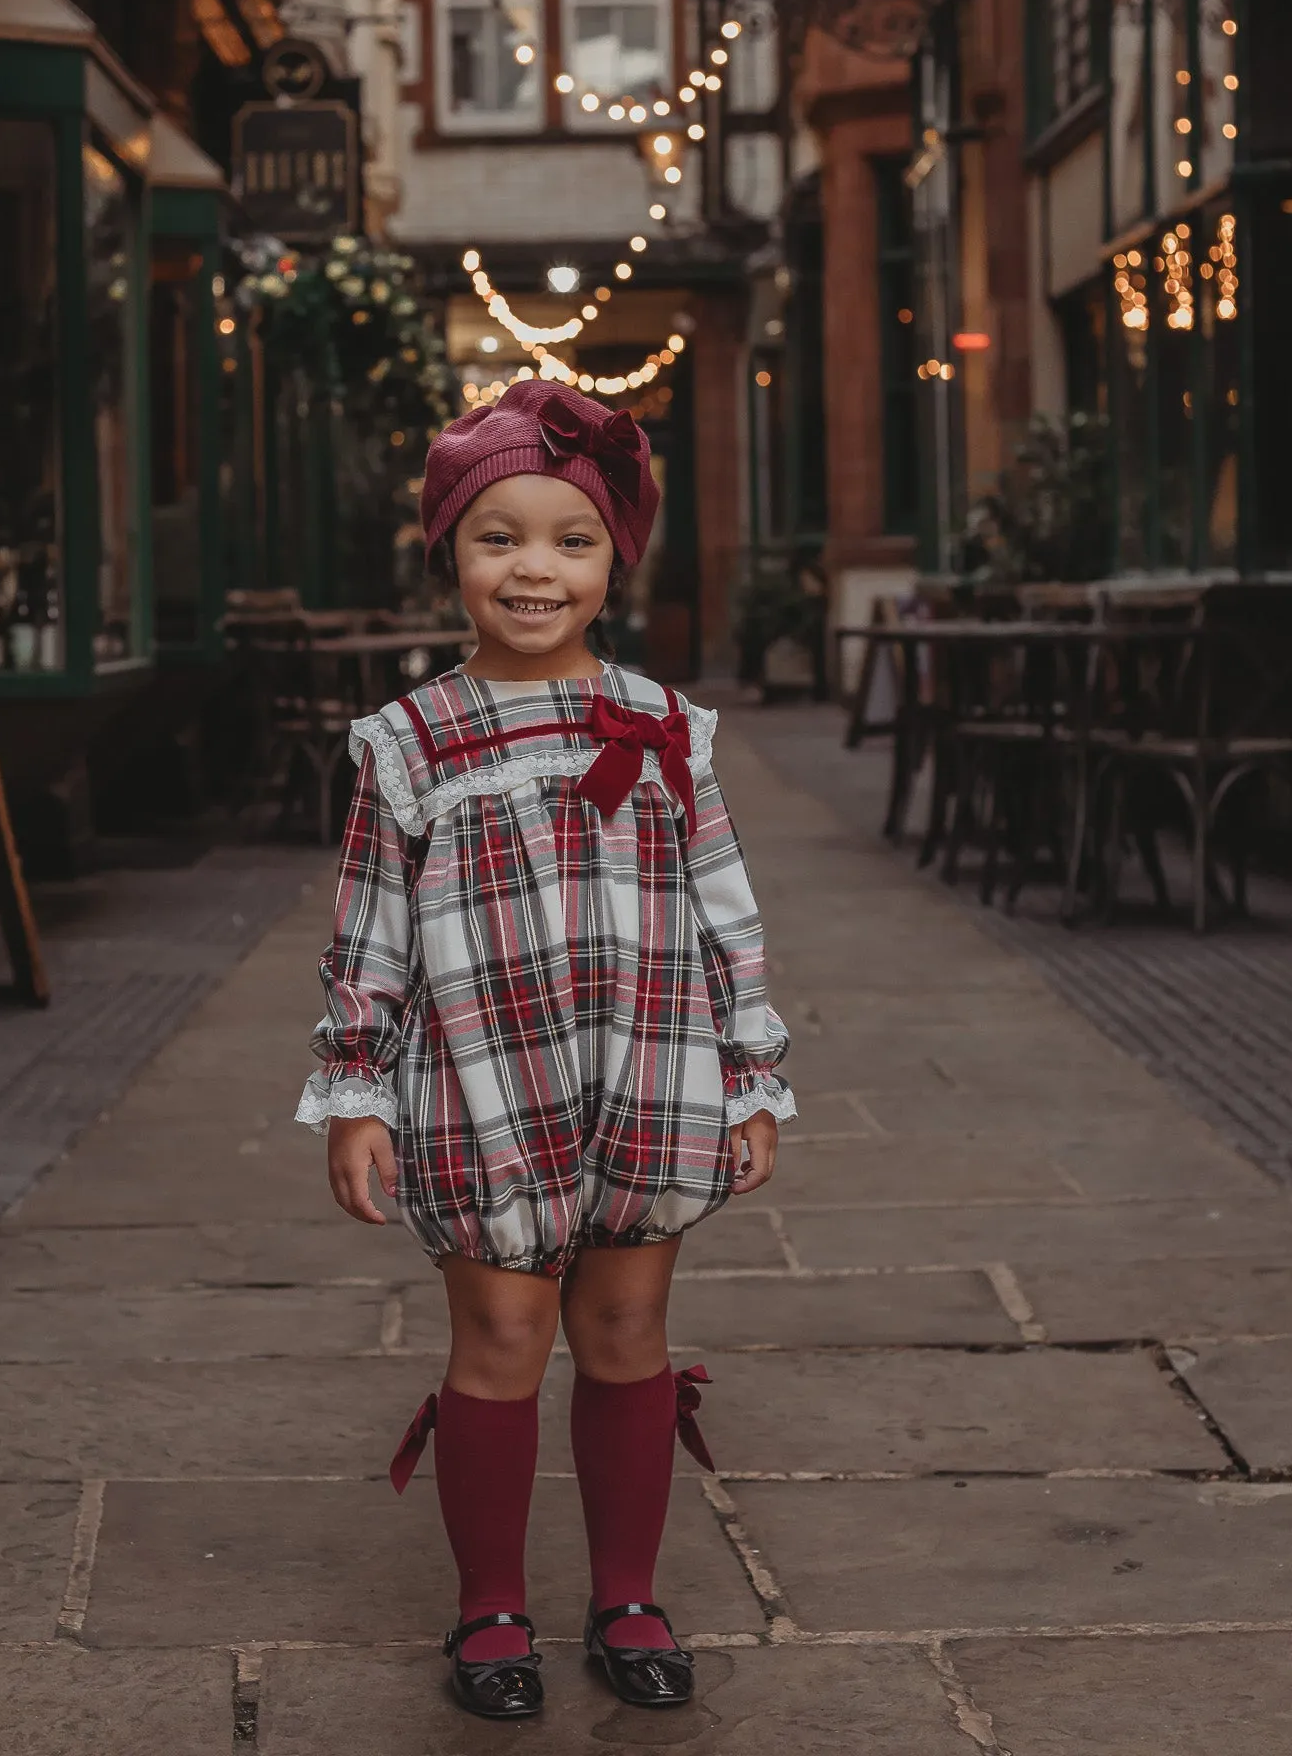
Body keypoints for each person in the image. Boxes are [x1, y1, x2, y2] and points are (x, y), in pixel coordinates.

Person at [297, 379, 794, 1720]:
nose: (533, 569)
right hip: (477, 1083)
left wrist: (749, 1077)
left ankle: (627, 1590)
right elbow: (372, 931)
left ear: (615, 558)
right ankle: (489, 1607)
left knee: (628, 1324)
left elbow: (724, 911)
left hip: (648, 1070)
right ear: (449, 554)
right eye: (497, 537)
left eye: (571, 539)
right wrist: (356, 1091)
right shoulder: (409, 743)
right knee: (504, 1333)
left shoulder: (666, 727)